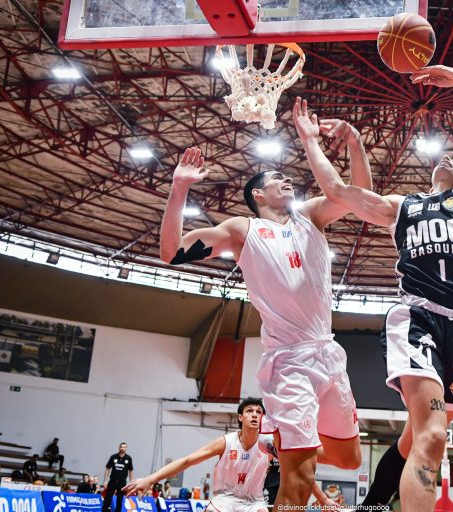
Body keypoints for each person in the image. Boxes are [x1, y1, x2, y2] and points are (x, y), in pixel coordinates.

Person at [293, 65, 453, 511]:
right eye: (442, 158)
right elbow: (337, 190)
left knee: (415, 438)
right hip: (418, 319)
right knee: (433, 435)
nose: (448, 158)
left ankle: (371, 505)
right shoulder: (402, 207)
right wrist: (316, 141)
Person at [159, 111, 373, 507]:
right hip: (289, 361)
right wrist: (180, 188)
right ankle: (292, 444)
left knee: (349, 459)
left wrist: (355, 143)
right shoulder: (243, 230)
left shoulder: (311, 215)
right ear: (258, 194)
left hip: (328, 353)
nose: (287, 179)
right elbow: (171, 251)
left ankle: (281, 443)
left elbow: (360, 195)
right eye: (277, 178)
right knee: (300, 481)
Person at [123, 398, 337, 512]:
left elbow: (301, 472)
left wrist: (324, 500)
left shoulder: (268, 445)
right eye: (250, 411)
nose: (255, 415)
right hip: (225, 499)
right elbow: (187, 461)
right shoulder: (226, 442)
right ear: (240, 417)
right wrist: (150, 479)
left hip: (254, 503)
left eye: (259, 412)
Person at [102, 442, 134, 512]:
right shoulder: (113, 457)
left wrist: (131, 483)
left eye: (124, 447)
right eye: (121, 447)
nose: (122, 448)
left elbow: (131, 471)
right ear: (119, 448)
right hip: (112, 481)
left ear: (126, 448)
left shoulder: (128, 458)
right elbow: (107, 468)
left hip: (122, 483)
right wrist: (105, 481)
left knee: (119, 501)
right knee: (107, 499)